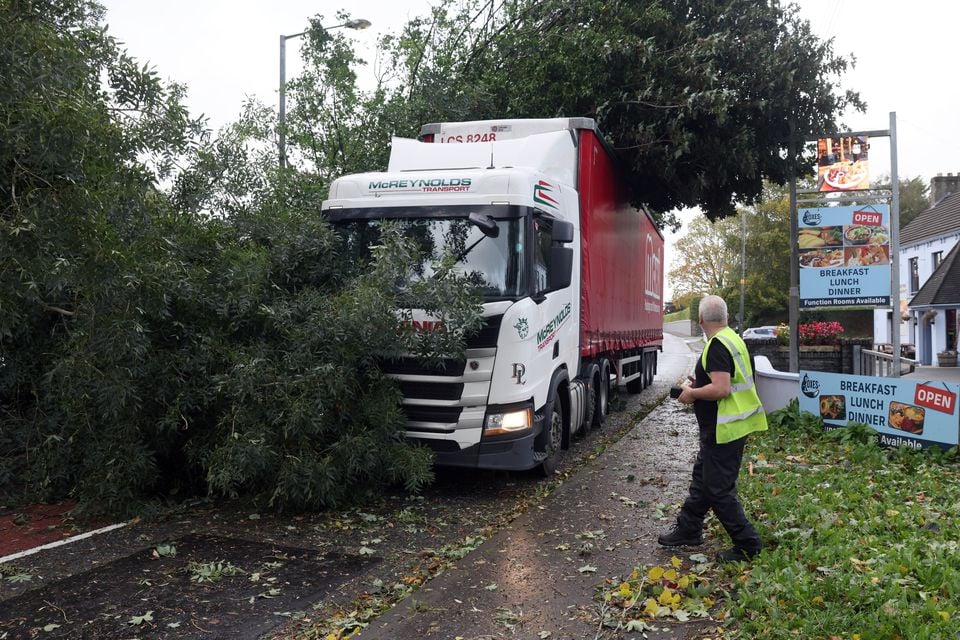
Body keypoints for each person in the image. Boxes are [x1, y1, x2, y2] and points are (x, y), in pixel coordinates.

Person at [657, 295, 768, 562]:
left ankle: (747, 544)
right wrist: (700, 380)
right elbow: (725, 377)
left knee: (718, 489)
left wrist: (692, 394)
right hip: (727, 427)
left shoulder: (717, 345)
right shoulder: (732, 338)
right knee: (702, 479)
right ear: (726, 317)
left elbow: (721, 388)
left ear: (701, 320)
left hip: (724, 428)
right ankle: (688, 529)